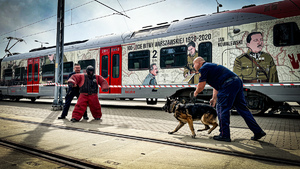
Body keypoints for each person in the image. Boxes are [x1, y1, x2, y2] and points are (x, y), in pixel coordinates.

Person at [193, 57, 266, 142]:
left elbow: (201, 85)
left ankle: (224, 135)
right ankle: (258, 131)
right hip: (236, 81)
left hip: (228, 84)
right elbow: (216, 86)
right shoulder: (210, 67)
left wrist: (196, 92)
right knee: (242, 109)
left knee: (221, 108)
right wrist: (214, 98)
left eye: (194, 64)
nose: (193, 66)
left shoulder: (203, 68)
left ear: (199, 63)